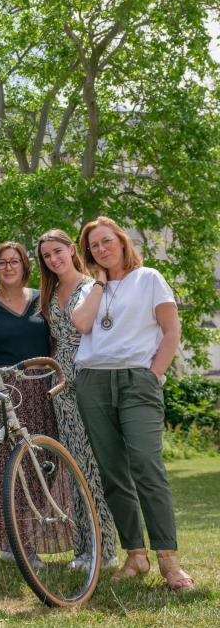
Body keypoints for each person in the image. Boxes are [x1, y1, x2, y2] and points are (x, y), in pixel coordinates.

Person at [72, 216, 194, 591]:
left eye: (107, 241)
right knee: (112, 472)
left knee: (146, 463)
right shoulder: (90, 288)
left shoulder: (150, 279)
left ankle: (168, 560)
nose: (101, 249)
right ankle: (135, 555)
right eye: (93, 246)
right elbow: (82, 324)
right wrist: (99, 284)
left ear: (122, 242)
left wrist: (153, 374)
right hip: (92, 382)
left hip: (136, 379)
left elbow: (172, 331)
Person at [36, 229, 118, 570]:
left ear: (71, 250)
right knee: (74, 468)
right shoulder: (50, 292)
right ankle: (85, 548)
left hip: (88, 376)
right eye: (46, 256)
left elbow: (92, 328)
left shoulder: (91, 285)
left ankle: (106, 550)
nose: (54, 259)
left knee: (93, 467)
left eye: (58, 252)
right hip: (62, 384)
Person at [0, 241, 59, 563]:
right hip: (7, 392)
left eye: (14, 262)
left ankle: (31, 534)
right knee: (7, 468)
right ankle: (13, 542)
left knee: (43, 464)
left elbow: (55, 342)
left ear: (25, 266)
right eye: (2, 263)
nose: (9, 267)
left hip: (41, 388)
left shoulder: (43, 300)